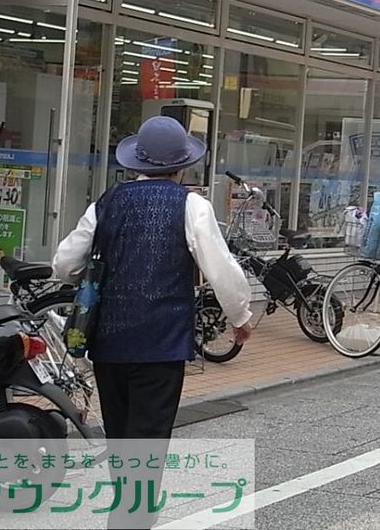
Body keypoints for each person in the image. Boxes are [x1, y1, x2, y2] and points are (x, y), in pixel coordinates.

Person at [52, 116, 253, 528]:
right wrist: (240, 317)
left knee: (121, 436)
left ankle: (127, 511)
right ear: (182, 165)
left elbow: (64, 264)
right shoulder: (191, 205)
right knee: (148, 439)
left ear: (137, 162)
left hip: (108, 343)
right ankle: (133, 517)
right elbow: (221, 270)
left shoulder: (107, 202)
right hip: (162, 342)